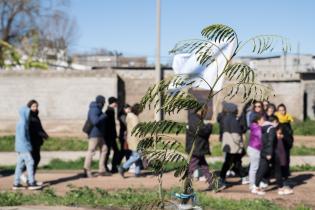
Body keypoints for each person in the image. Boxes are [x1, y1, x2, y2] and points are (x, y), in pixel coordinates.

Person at [186, 110, 224, 191]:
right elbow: (202, 131)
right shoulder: (194, 119)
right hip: (196, 147)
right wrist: (209, 126)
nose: (205, 113)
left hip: (198, 147)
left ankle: (214, 184)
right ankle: (186, 186)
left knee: (203, 166)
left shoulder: (195, 118)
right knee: (192, 166)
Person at [12, 106, 42, 190]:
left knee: (20, 165)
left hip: (20, 147)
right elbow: (23, 137)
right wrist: (28, 146)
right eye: (28, 113)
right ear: (24, 114)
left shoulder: (20, 122)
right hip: (24, 148)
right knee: (30, 162)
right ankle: (31, 183)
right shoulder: (23, 124)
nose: (29, 115)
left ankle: (16, 183)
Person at [219, 103, 248, 187]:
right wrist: (240, 144)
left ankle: (243, 176)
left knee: (236, 161)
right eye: (236, 109)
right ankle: (222, 178)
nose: (237, 110)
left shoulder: (226, 118)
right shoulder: (233, 120)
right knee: (229, 162)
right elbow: (236, 135)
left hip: (228, 144)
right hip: (234, 145)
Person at [20, 100, 49, 185]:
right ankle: (21, 173)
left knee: (36, 159)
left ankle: (31, 178)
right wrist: (42, 134)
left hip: (37, 141)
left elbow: (39, 127)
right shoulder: (28, 117)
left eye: (36, 106)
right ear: (29, 107)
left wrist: (44, 134)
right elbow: (33, 129)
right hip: (31, 141)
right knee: (32, 160)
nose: (35, 108)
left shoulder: (36, 116)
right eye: (33, 106)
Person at [83, 95, 110, 178]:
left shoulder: (98, 109)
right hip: (94, 134)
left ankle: (102, 170)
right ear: (100, 102)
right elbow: (95, 121)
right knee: (91, 151)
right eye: (104, 102)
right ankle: (87, 169)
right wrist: (103, 116)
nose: (105, 103)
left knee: (104, 149)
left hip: (100, 134)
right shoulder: (94, 109)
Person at [252, 115, 278, 195]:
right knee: (264, 169)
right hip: (267, 152)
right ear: (274, 122)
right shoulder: (271, 128)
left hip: (263, 151)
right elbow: (270, 141)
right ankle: (256, 187)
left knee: (262, 169)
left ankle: (256, 186)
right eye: (277, 122)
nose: (277, 123)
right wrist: (269, 153)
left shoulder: (264, 127)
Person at [118, 103, 142, 178]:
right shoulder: (134, 117)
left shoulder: (129, 116)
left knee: (136, 155)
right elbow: (137, 130)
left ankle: (137, 172)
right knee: (137, 156)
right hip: (136, 139)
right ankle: (123, 167)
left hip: (131, 138)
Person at [275, 103, 294, 181]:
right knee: (280, 161)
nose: (282, 112)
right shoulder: (276, 121)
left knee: (287, 160)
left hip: (287, 143)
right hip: (279, 144)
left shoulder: (288, 120)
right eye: (280, 110)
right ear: (277, 111)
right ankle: (280, 178)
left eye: (283, 110)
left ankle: (285, 177)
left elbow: (289, 133)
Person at [247, 114, 264, 190]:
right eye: (263, 120)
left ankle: (255, 183)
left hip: (254, 148)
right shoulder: (257, 128)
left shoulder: (255, 126)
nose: (264, 121)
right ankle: (252, 185)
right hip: (255, 149)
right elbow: (261, 137)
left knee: (255, 167)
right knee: (254, 167)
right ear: (258, 120)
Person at [104, 97, 120, 173]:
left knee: (115, 151)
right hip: (109, 136)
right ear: (113, 103)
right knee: (109, 152)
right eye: (116, 103)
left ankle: (113, 167)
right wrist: (113, 134)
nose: (116, 104)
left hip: (112, 135)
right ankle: (106, 166)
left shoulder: (111, 110)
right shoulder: (109, 111)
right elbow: (110, 126)